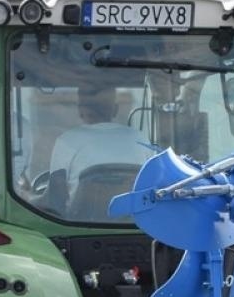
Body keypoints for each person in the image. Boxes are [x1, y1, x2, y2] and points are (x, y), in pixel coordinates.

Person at [47, 87, 154, 216]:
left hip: (79, 227)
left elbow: (55, 198)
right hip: (134, 225)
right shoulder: (141, 138)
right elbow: (151, 186)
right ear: (115, 110)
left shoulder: (66, 140)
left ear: (81, 110)